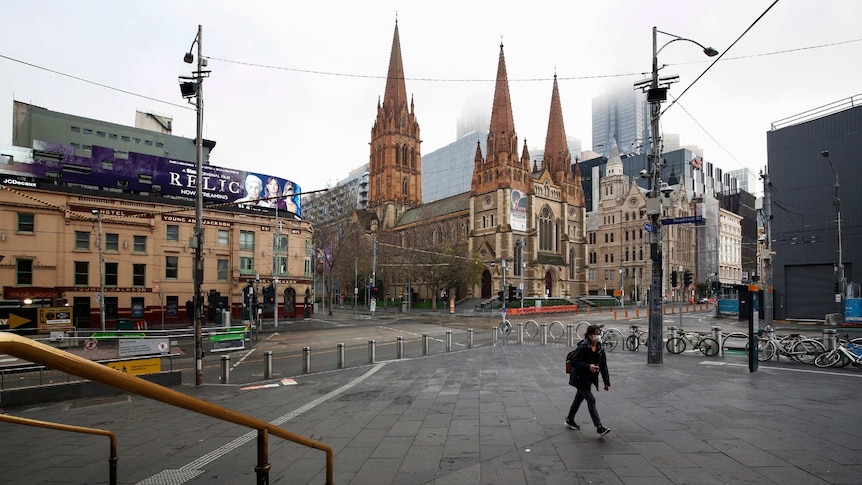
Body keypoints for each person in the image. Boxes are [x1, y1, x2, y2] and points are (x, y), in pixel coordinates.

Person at [565, 324, 611, 437]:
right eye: (596, 334)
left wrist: (606, 382)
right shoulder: (583, 347)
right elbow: (574, 362)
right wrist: (588, 367)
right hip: (579, 377)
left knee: (578, 399)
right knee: (591, 400)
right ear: (590, 336)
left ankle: (570, 419)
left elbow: (604, 366)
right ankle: (599, 427)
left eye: (599, 333)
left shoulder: (600, 348)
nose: (599, 336)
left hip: (589, 378)